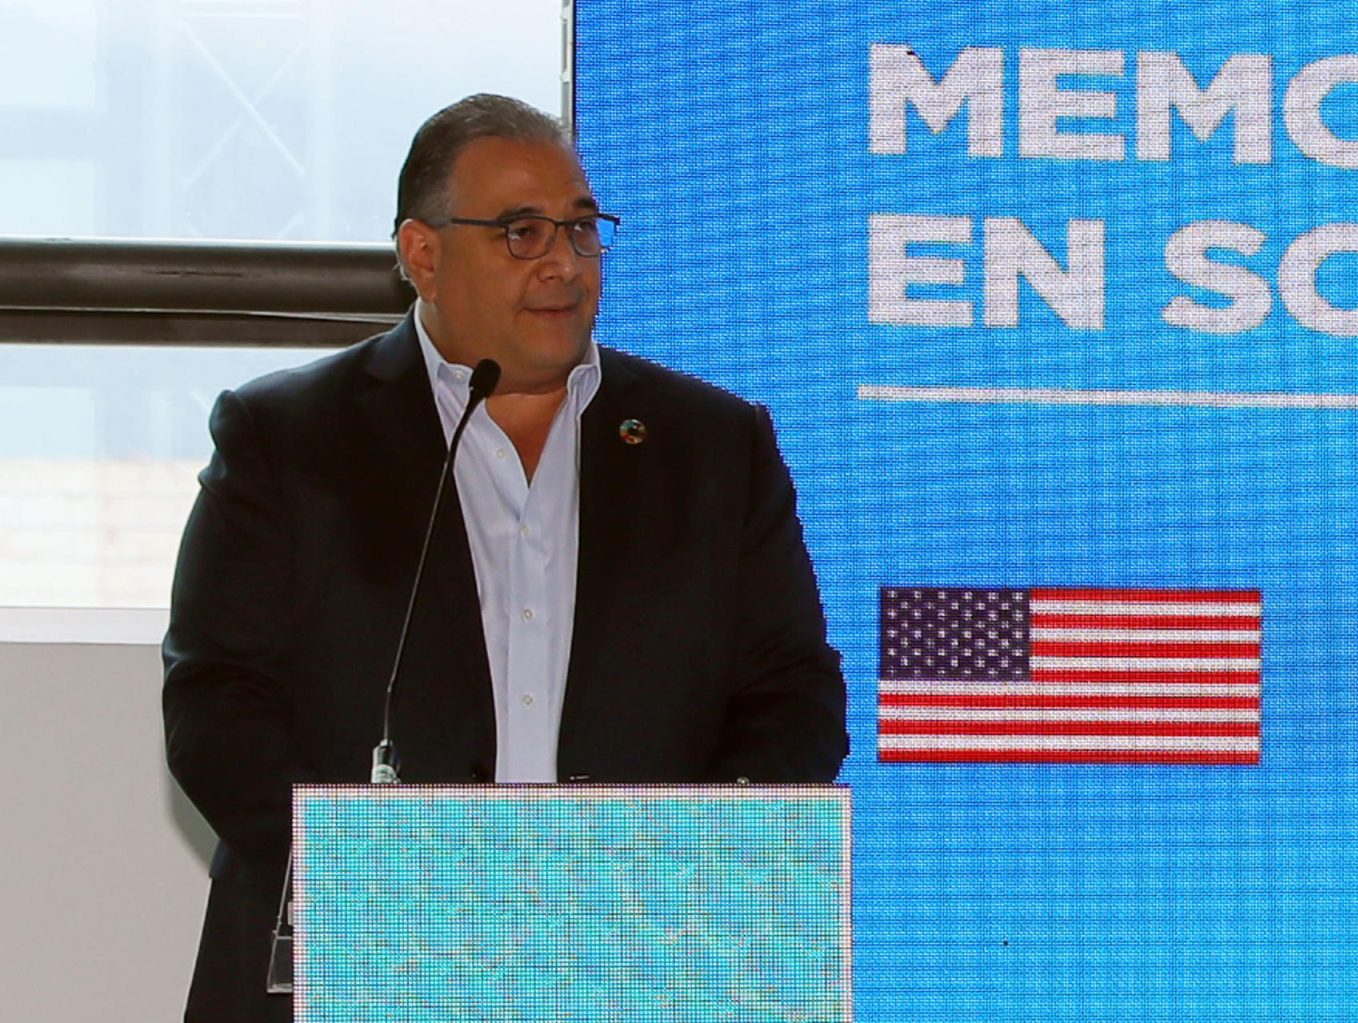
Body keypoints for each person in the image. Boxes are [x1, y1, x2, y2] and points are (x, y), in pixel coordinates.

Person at [162, 93, 847, 1023]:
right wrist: (388, 890)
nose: (564, 262)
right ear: (423, 255)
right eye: (521, 232)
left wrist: (687, 868)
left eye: (579, 228)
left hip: (640, 963)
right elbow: (216, 703)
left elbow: (791, 696)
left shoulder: (713, 445)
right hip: (359, 961)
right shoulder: (289, 437)